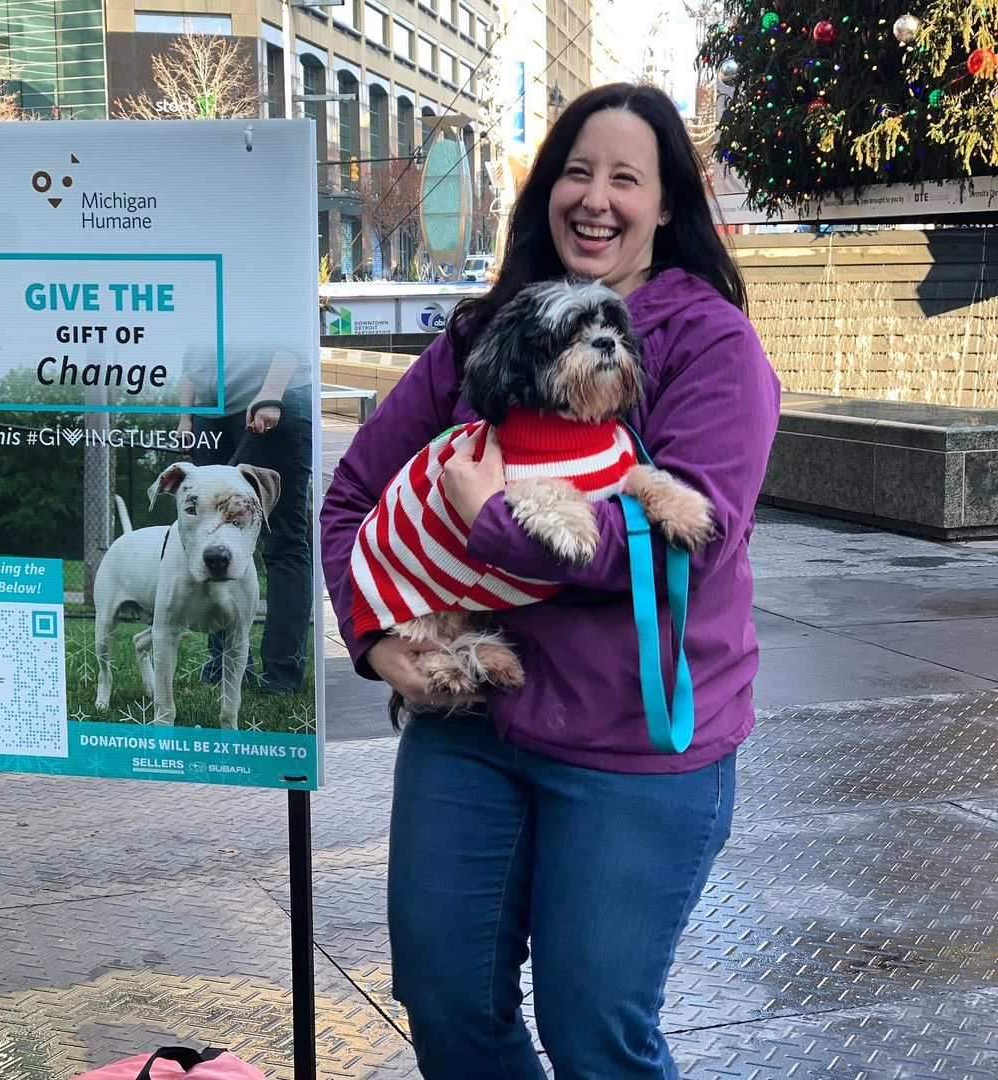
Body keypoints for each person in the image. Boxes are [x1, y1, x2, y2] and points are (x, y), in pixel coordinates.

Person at [320, 83, 781, 1079]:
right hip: (471, 722)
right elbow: (351, 497)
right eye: (577, 170)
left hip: (633, 746)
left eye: (627, 177)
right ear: (544, 191)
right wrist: (375, 638)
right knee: (447, 1008)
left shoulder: (713, 347)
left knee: (595, 1037)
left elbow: (678, 543)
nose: (596, 198)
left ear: (669, 205)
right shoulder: (485, 336)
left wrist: (496, 523)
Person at [177, 346, 312, 694]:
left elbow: (290, 327)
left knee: (282, 541)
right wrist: (186, 417)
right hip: (210, 415)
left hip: (269, 401)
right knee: (212, 539)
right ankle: (226, 663)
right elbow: (191, 357)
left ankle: (281, 674)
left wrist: (272, 392)